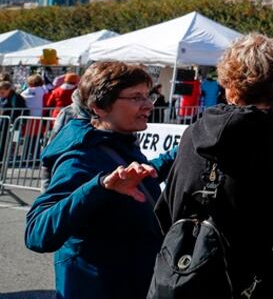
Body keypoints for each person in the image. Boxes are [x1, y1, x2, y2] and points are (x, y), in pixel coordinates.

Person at [156, 34, 273, 299]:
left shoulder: (193, 135)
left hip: (192, 277)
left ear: (229, 85)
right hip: (270, 282)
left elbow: (170, 210)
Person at [24, 61, 175, 299]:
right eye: (136, 97)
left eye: (148, 96)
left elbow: (135, 179)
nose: (148, 105)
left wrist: (185, 147)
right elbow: (36, 233)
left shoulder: (119, 141)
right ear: (100, 107)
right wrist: (99, 186)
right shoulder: (79, 157)